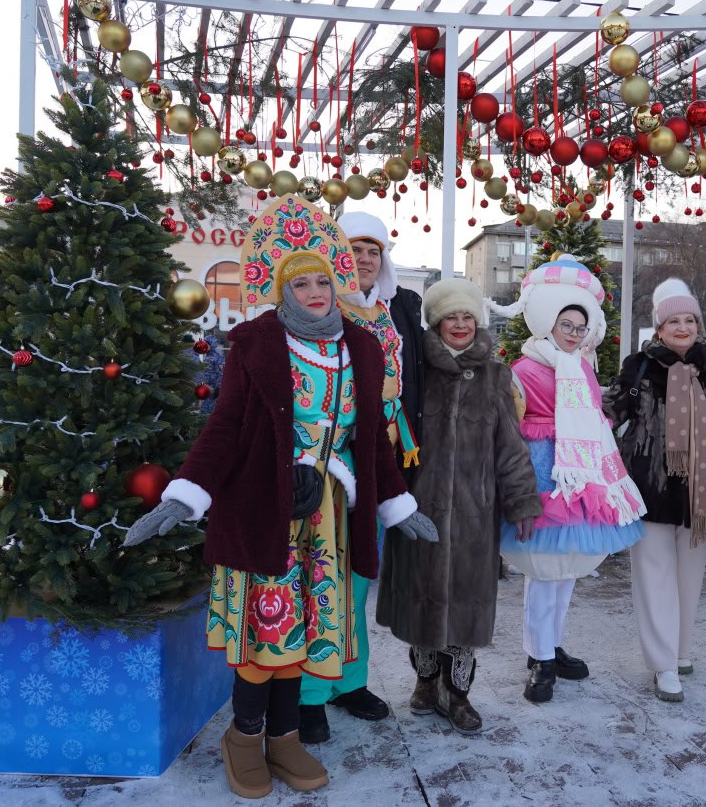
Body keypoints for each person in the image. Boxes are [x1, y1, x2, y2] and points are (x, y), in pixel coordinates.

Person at [123, 194, 438, 799]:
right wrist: (182, 498)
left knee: (313, 627)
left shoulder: (362, 348)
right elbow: (225, 430)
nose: (317, 292)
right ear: (282, 287)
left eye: (324, 279)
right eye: (303, 283)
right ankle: (244, 736)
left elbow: (370, 440)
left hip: (327, 519)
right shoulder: (258, 345)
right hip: (264, 512)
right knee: (265, 630)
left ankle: (284, 736)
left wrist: (400, 506)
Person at [376, 278, 542, 734]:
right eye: (452, 316)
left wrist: (523, 500)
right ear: (437, 322)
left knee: (466, 608)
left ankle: (459, 693)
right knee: (422, 603)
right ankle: (426, 683)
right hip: (419, 510)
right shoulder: (416, 373)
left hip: (474, 516)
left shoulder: (495, 376)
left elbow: (511, 447)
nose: (461, 324)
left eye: (468, 316)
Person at [489, 255, 645, 704]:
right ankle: (537, 656)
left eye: (580, 326)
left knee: (569, 567)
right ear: (547, 323)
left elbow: (595, 415)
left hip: (585, 474)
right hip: (544, 470)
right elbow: (511, 421)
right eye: (566, 324)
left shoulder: (582, 367)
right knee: (544, 569)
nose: (574, 333)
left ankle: (552, 646)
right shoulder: (524, 369)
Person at [294, 212, 425, 742]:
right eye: (355, 249)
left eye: (374, 250)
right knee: (318, 578)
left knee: (358, 578)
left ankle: (350, 681)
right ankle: (308, 694)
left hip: (379, 463)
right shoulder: (319, 311)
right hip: (327, 466)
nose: (366, 259)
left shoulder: (390, 315)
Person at [604, 279, 706, 702]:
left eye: (689, 319)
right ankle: (663, 665)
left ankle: (681, 651)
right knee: (654, 577)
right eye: (672, 321)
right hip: (649, 486)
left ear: (698, 324)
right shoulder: (639, 366)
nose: (682, 327)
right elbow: (611, 411)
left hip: (703, 489)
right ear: (659, 328)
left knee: (690, 577)